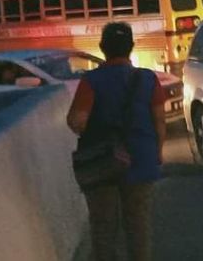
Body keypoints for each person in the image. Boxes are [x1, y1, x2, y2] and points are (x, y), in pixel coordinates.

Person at [66, 22, 167, 261]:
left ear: (103, 48)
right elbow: (160, 122)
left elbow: (76, 122)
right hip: (141, 160)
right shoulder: (148, 79)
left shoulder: (91, 81)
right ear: (131, 47)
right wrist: (158, 152)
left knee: (103, 227)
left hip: (103, 162)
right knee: (138, 225)